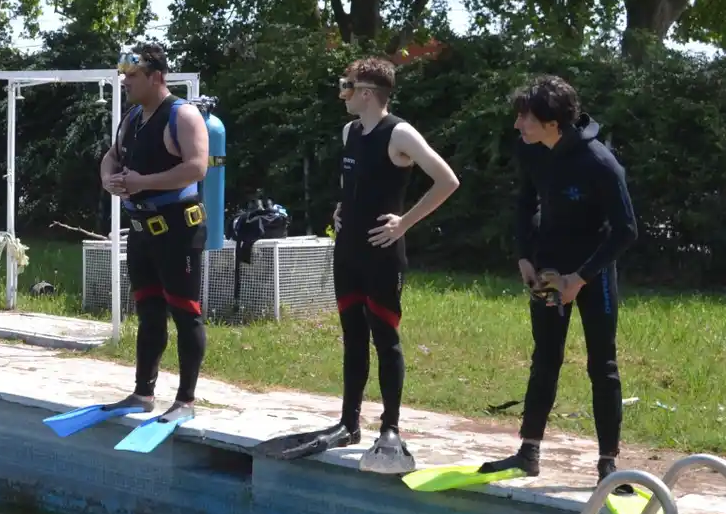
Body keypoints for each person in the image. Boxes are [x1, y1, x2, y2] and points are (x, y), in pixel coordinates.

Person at [263, 58, 460, 473]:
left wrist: (404, 223)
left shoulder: (399, 133)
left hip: (382, 253)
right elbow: (356, 184)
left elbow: (447, 180)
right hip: (348, 250)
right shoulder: (349, 132)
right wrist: (341, 209)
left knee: (385, 338)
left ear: (368, 92)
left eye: (348, 87)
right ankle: (349, 422)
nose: (344, 94)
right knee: (353, 337)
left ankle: (390, 427)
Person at [480, 75, 638, 485]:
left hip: (593, 271)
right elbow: (525, 201)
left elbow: (626, 230)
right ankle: (528, 451)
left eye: (525, 117)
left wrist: (580, 278)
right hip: (548, 270)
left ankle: (608, 464)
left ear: (552, 122)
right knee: (544, 359)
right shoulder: (532, 150)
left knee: (602, 364)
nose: (518, 125)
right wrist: (524, 256)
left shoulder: (600, 162)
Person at [96, 44, 210, 443]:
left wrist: (141, 182)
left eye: (132, 76)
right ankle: (143, 392)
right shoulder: (132, 117)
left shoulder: (183, 114)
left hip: (178, 229)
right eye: (123, 75)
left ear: (156, 76)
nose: (125, 82)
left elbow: (196, 167)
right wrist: (109, 177)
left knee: (186, 314)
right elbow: (112, 156)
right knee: (148, 312)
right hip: (142, 231)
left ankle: (186, 398)